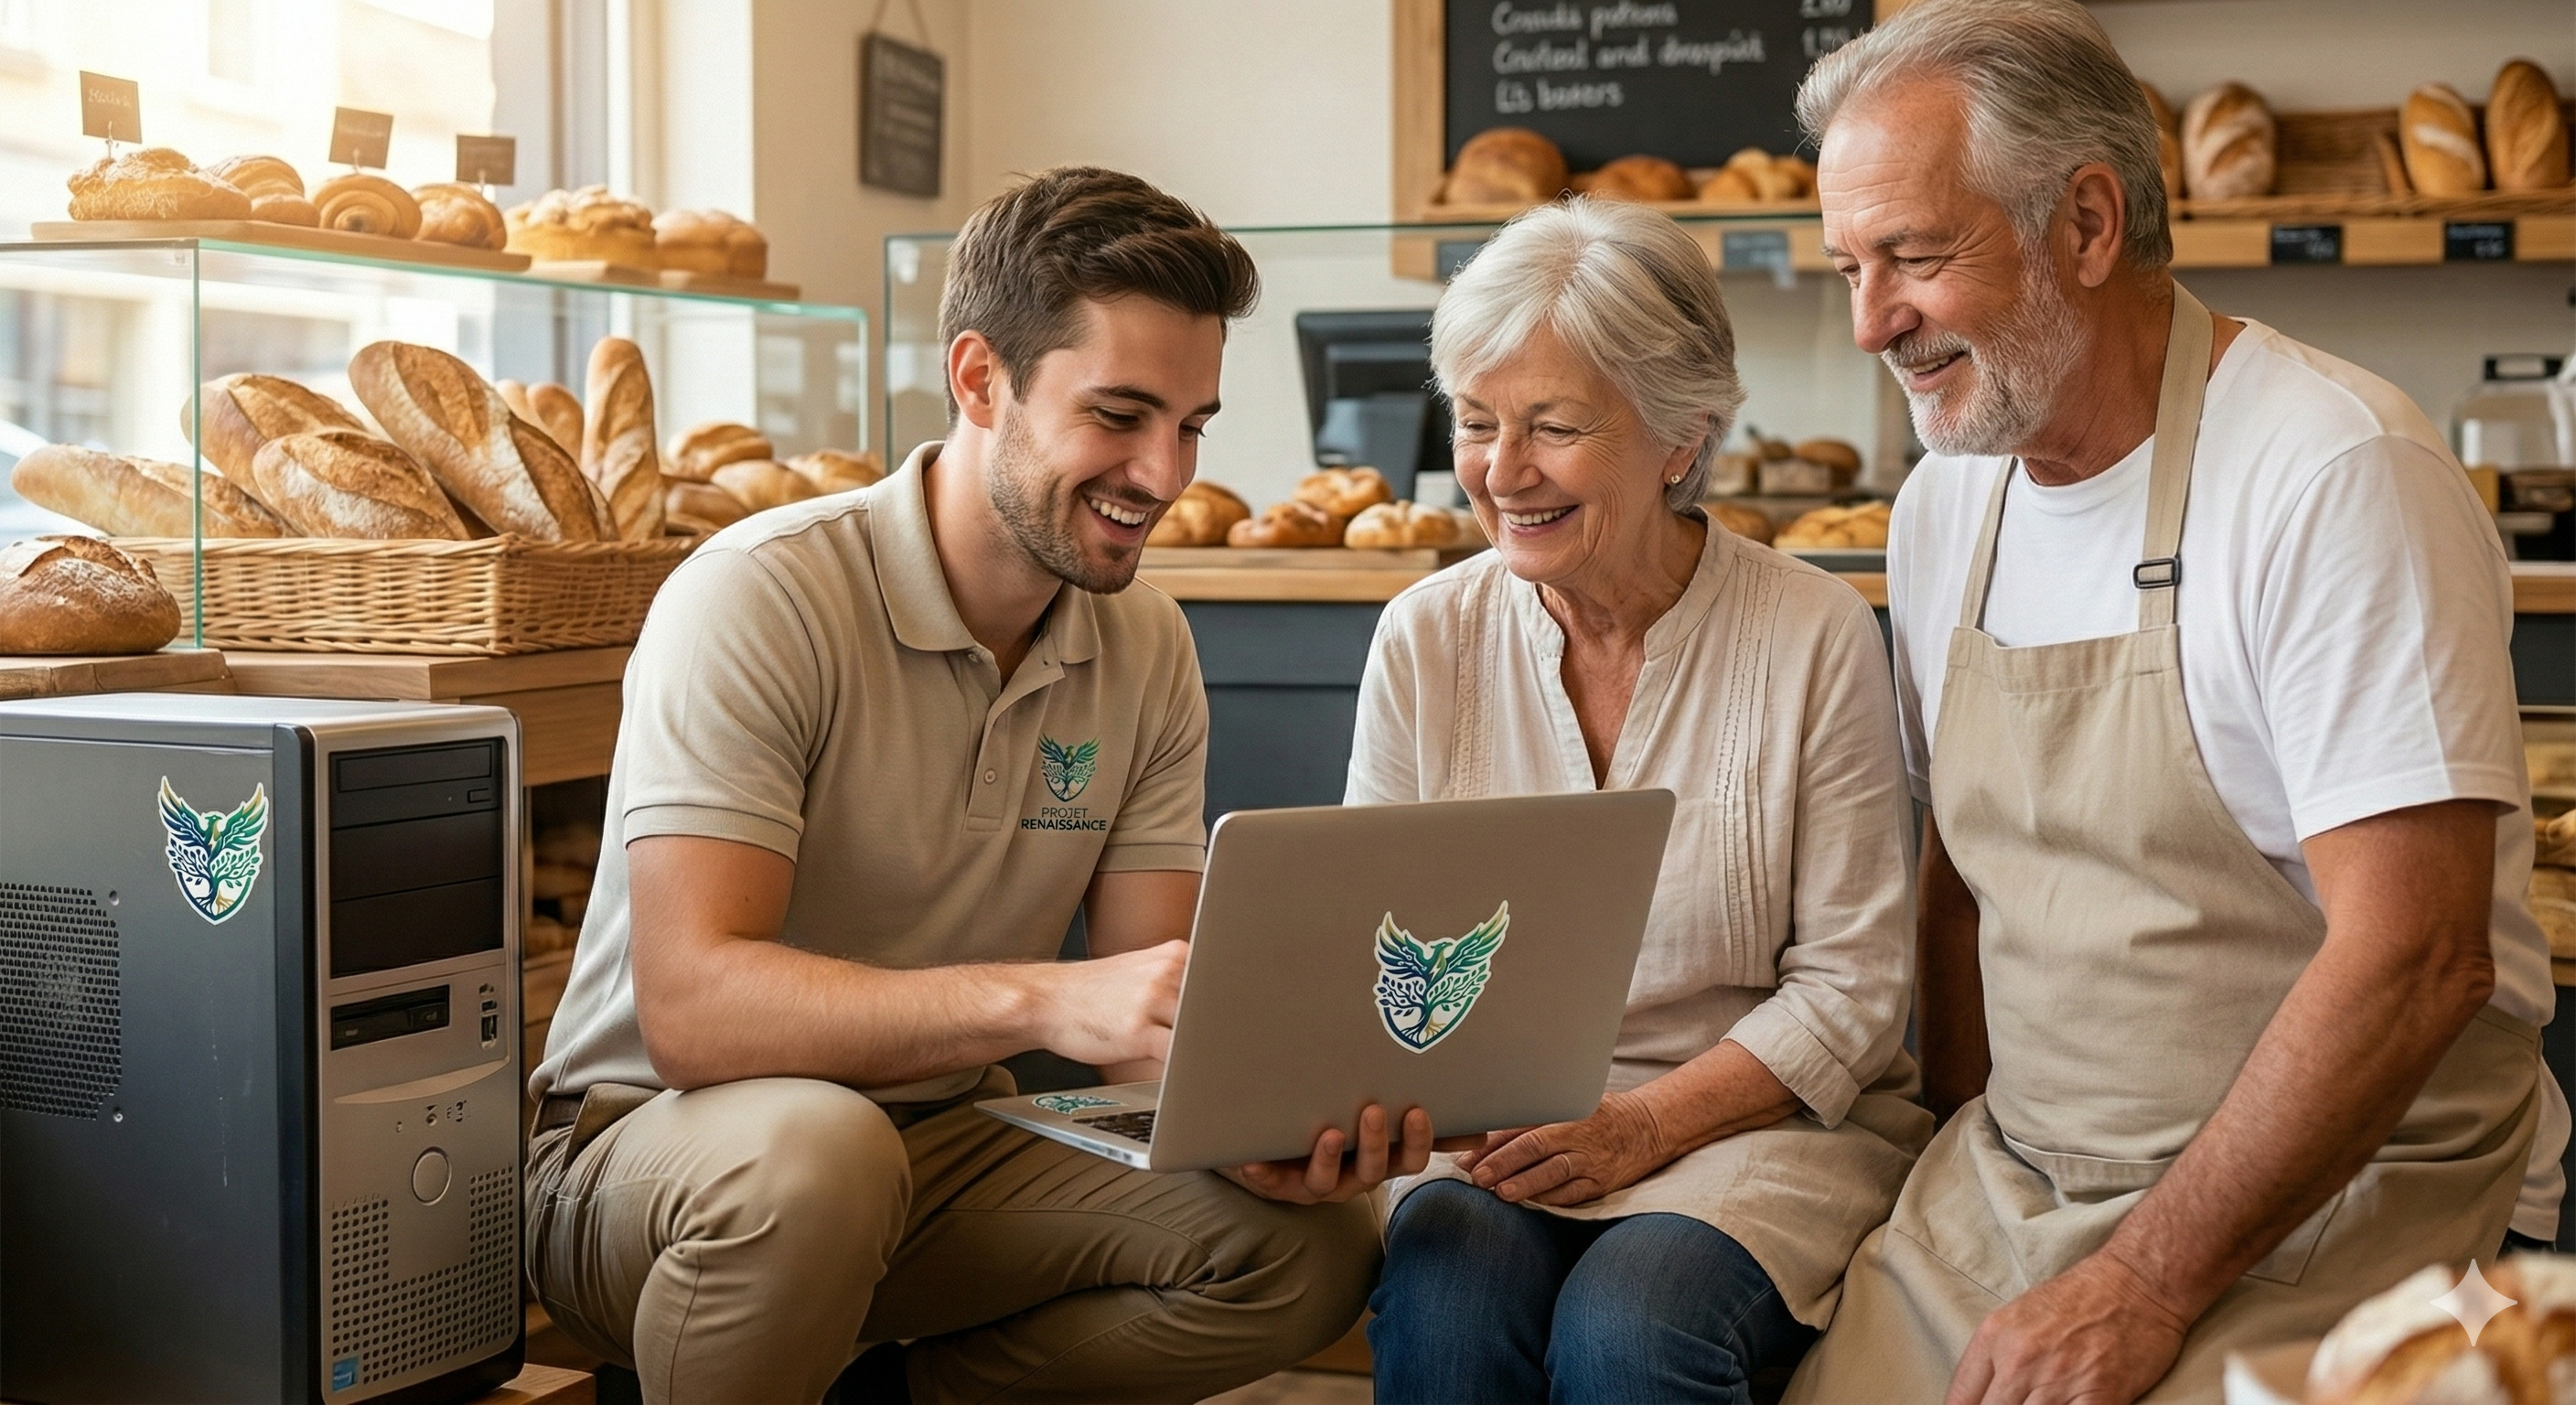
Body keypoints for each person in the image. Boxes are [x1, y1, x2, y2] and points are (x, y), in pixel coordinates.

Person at [1783, 3, 2566, 1400]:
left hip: (2343, 1190)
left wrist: (2141, 1284)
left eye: (1914, 256)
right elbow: (1958, 878)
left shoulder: (2333, 472)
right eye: (1849, 265)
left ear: (2087, 224)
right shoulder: (1942, 505)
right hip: (2022, 1178)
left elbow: (2420, 959)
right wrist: (1957, 1149)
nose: (1870, 323)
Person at [523, 166, 1401, 1405]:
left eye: (1192, 424)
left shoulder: (1143, 644)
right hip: (650, 1153)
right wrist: (1042, 1002)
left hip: (939, 1145)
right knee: (817, 1157)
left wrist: (1256, 1130)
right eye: (1119, 414)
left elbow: (1147, 1036)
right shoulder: (759, 595)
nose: (1164, 474)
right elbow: (695, 1009)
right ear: (980, 379)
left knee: (1309, 1249)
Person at [1347, 197, 1935, 1405]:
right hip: (1493, 1141)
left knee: (1629, 1328)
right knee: (1448, 1301)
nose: (1502, 473)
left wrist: (1642, 1127)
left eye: (1553, 428)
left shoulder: (1814, 633)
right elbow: (1368, 959)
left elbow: (1855, 990)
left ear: (1681, 435)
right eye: (1475, 424)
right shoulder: (1425, 638)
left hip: (1757, 1134)